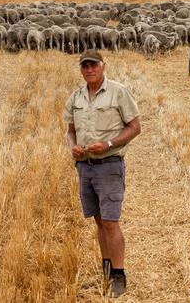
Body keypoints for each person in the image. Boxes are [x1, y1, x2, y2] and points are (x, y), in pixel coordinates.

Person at [63, 49, 141, 298]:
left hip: (109, 164)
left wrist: (109, 145)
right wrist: (72, 147)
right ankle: (106, 270)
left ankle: (119, 275)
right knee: (98, 220)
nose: (89, 70)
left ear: (103, 66)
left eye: (93, 65)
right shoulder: (76, 97)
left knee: (110, 221)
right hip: (85, 166)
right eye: (84, 66)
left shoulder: (118, 91)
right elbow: (70, 130)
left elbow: (135, 127)